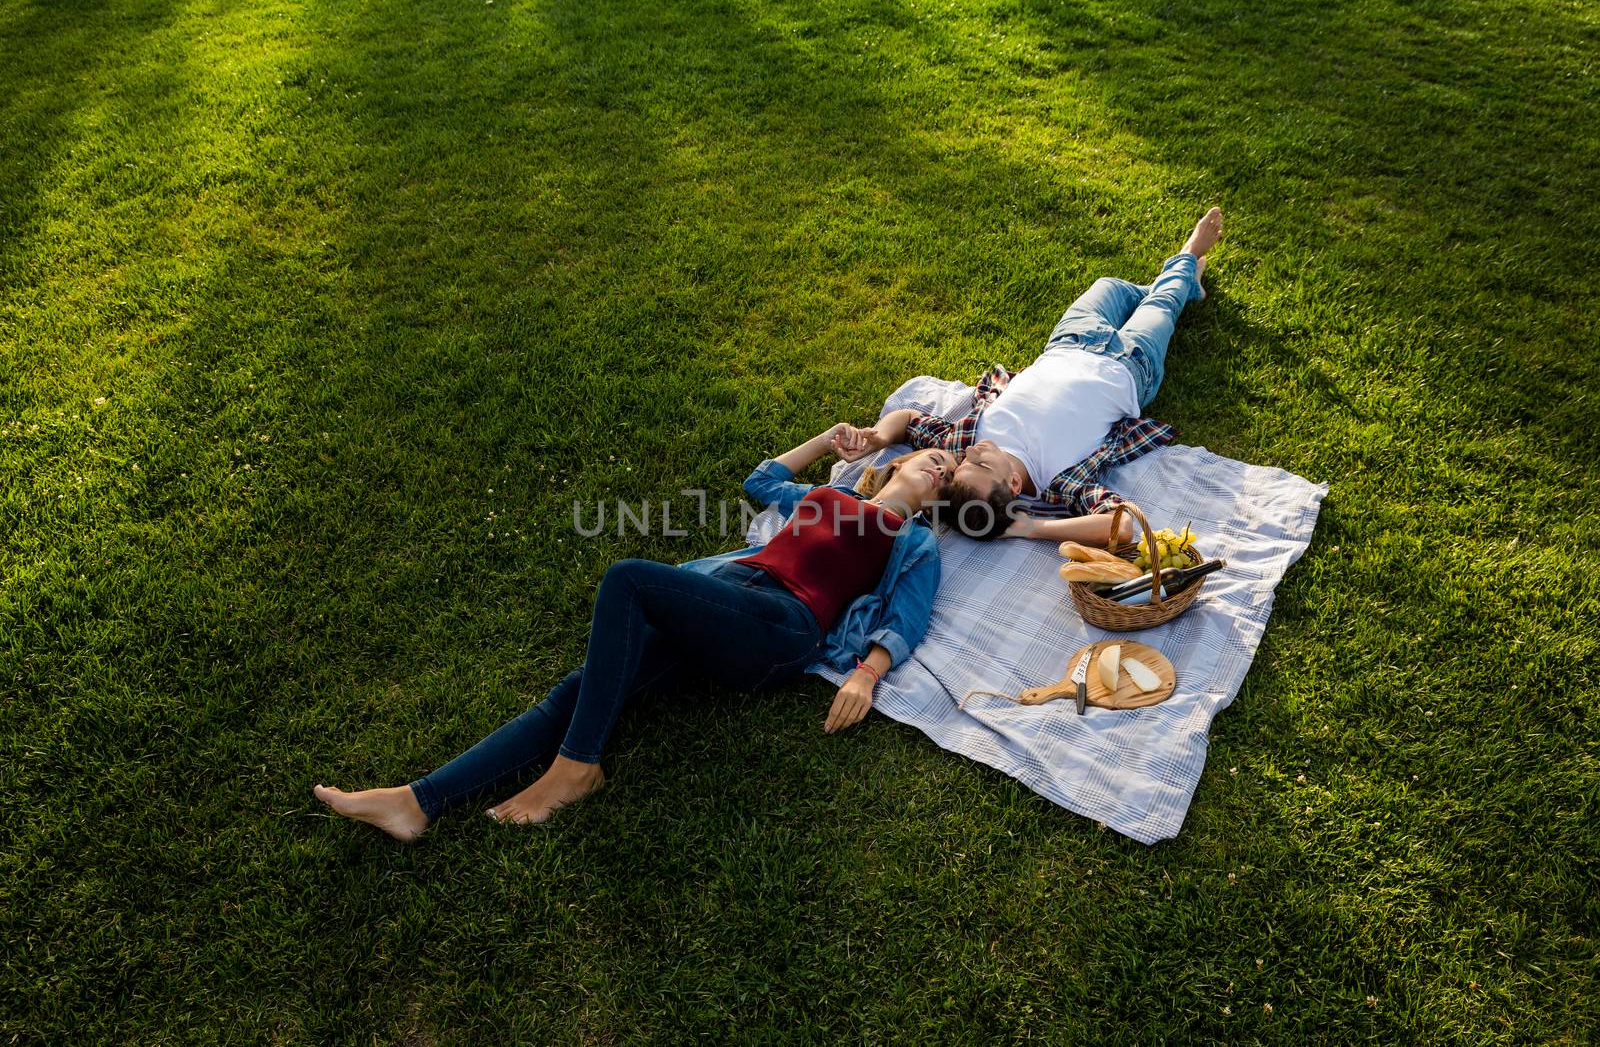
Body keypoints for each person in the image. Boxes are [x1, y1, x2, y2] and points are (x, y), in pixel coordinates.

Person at [313, 426, 953, 838]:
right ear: (894, 462)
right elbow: (759, 482)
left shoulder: (915, 541)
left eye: (946, 476)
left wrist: (868, 673)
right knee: (583, 688)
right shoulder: (825, 497)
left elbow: (908, 615)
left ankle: (577, 768)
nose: (939, 468)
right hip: (731, 597)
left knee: (630, 579)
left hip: (785, 627)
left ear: (934, 503)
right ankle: (416, 802)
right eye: (933, 457)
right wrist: (826, 440)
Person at [835, 206, 1223, 543]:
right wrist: (1030, 528)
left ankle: (1178, 281)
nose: (970, 454)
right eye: (981, 464)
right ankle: (1188, 258)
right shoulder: (1060, 483)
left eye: (964, 463)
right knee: (1163, 303)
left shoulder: (964, 443)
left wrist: (878, 438)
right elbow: (1120, 527)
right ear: (1015, 486)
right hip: (1132, 366)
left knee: (1111, 287)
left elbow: (908, 421)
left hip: (1071, 341)